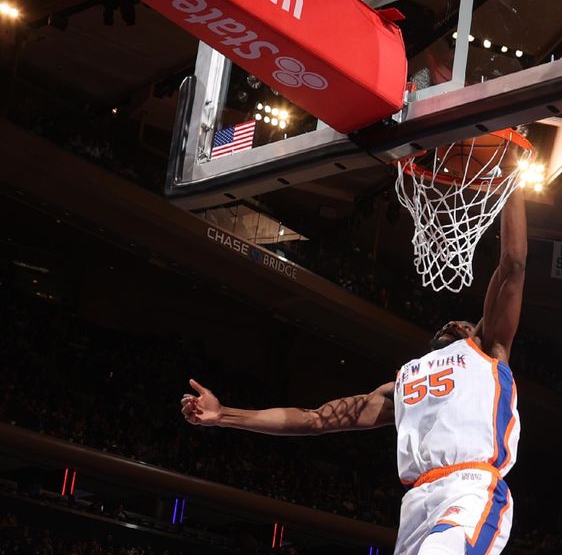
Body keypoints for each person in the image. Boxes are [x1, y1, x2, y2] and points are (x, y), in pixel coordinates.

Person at [181, 174, 527, 555]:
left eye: (465, 322)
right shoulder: (404, 384)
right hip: (416, 502)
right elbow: (314, 419)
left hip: (470, 488)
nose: (455, 323)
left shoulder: (486, 352)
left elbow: (512, 265)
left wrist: (512, 182)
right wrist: (225, 415)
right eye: (449, 323)